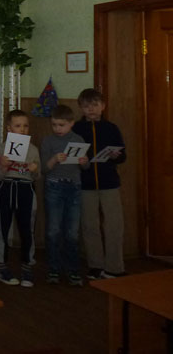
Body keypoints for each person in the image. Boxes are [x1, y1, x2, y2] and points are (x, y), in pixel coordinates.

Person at [72, 89, 127, 280]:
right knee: (89, 225)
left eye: (95, 105)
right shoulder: (77, 129)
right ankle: (95, 265)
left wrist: (116, 155)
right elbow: (71, 156)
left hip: (109, 183)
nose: (91, 109)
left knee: (114, 225)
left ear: (103, 106)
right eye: (86, 106)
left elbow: (123, 156)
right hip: (85, 183)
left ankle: (115, 267)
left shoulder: (111, 128)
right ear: (81, 108)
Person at [41, 104, 90, 286]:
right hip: (54, 186)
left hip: (74, 187)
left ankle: (73, 270)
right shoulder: (48, 141)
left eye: (61, 125)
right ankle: (53, 269)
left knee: (72, 232)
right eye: (54, 125)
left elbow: (85, 166)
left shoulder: (78, 139)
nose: (57, 129)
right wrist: (54, 159)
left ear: (71, 123)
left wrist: (84, 161)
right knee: (53, 231)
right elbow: (44, 169)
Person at [0, 109, 41, 288]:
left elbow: (37, 176)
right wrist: (3, 166)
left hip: (26, 190)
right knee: (2, 230)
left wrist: (34, 169)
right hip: (6, 188)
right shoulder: (1, 148)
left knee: (27, 230)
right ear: (9, 128)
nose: (22, 129)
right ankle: (1, 268)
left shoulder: (33, 149)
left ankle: (27, 267)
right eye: (18, 126)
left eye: (25, 126)